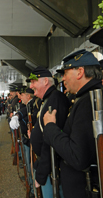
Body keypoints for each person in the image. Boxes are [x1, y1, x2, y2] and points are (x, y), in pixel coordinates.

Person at [43, 49, 102, 198]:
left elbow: (78, 157)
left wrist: (50, 127)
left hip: (82, 189)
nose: (63, 79)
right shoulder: (85, 97)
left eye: (65, 73)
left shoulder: (88, 102)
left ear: (80, 72)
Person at [26, 66, 69, 198]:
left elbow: (51, 138)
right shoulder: (48, 99)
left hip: (51, 168)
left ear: (45, 82)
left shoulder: (55, 99)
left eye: (33, 82)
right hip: (47, 164)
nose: (31, 86)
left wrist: (42, 173)